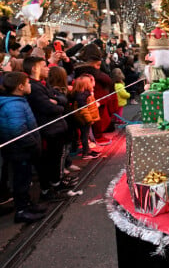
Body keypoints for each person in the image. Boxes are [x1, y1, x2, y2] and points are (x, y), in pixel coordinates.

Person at [23, 56, 73, 201]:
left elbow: (62, 98)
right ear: (34, 68)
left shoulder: (44, 84)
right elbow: (49, 107)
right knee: (48, 160)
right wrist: (58, 104)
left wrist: (57, 100)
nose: (48, 68)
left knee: (55, 158)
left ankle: (56, 183)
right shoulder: (34, 87)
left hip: (56, 127)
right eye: (44, 66)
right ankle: (47, 190)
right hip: (48, 129)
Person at [0, 72, 47, 223]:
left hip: (22, 150)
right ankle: (21, 211)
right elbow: (17, 130)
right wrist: (33, 145)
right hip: (20, 151)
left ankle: (26, 204)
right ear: (20, 87)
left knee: (24, 179)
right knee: (21, 180)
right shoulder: (14, 105)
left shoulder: (18, 101)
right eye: (28, 83)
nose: (30, 85)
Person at [71, 74, 101, 160]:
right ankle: (86, 153)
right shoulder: (82, 96)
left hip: (84, 119)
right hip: (84, 120)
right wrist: (89, 120)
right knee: (85, 136)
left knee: (86, 136)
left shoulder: (82, 94)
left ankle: (88, 150)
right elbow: (84, 110)